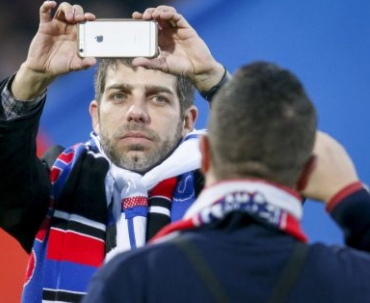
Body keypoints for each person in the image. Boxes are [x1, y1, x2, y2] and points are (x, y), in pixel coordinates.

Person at [0, 0, 229, 302]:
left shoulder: (221, 185)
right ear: (95, 116)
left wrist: (212, 78)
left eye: (158, 99)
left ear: (188, 122)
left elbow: (280, 166)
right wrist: (32, 77)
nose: (136, 112)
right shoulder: (59, 186)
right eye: (119, 95)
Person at [81, 61, 370, 303]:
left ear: (205, 156)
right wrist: (350, 199)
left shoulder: (130, 279)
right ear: (307, 173)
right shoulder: (350, 279)